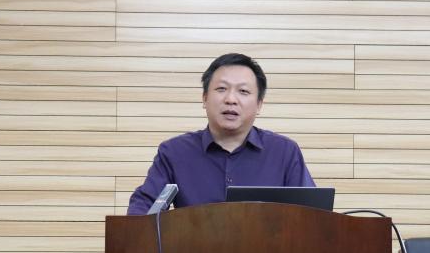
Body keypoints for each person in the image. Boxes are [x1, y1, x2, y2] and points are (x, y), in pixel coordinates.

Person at [127, 53, 315, 215]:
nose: (231, 99)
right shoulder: (174, 152)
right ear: (204, 98)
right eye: (221, 89)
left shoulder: (284, 152)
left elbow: (312, 214)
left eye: (243, 91)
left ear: (259, 105)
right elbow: (144, 208)